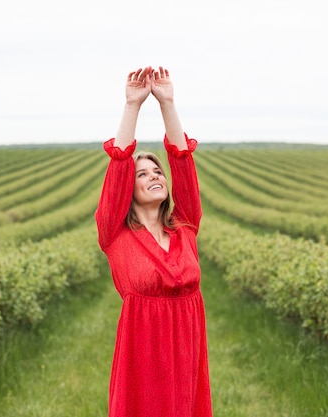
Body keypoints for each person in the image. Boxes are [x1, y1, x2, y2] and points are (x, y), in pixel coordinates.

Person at [95, 66, 213, 417]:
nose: (154, 176)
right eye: (142, 174)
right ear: (127, 190)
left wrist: (168, 103)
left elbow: (182, 161)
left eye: (156, 171)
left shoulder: (185, 228)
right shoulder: (115, 235)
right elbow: (118, 167)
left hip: (187, 354)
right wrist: (132, 105)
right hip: (143, 361)